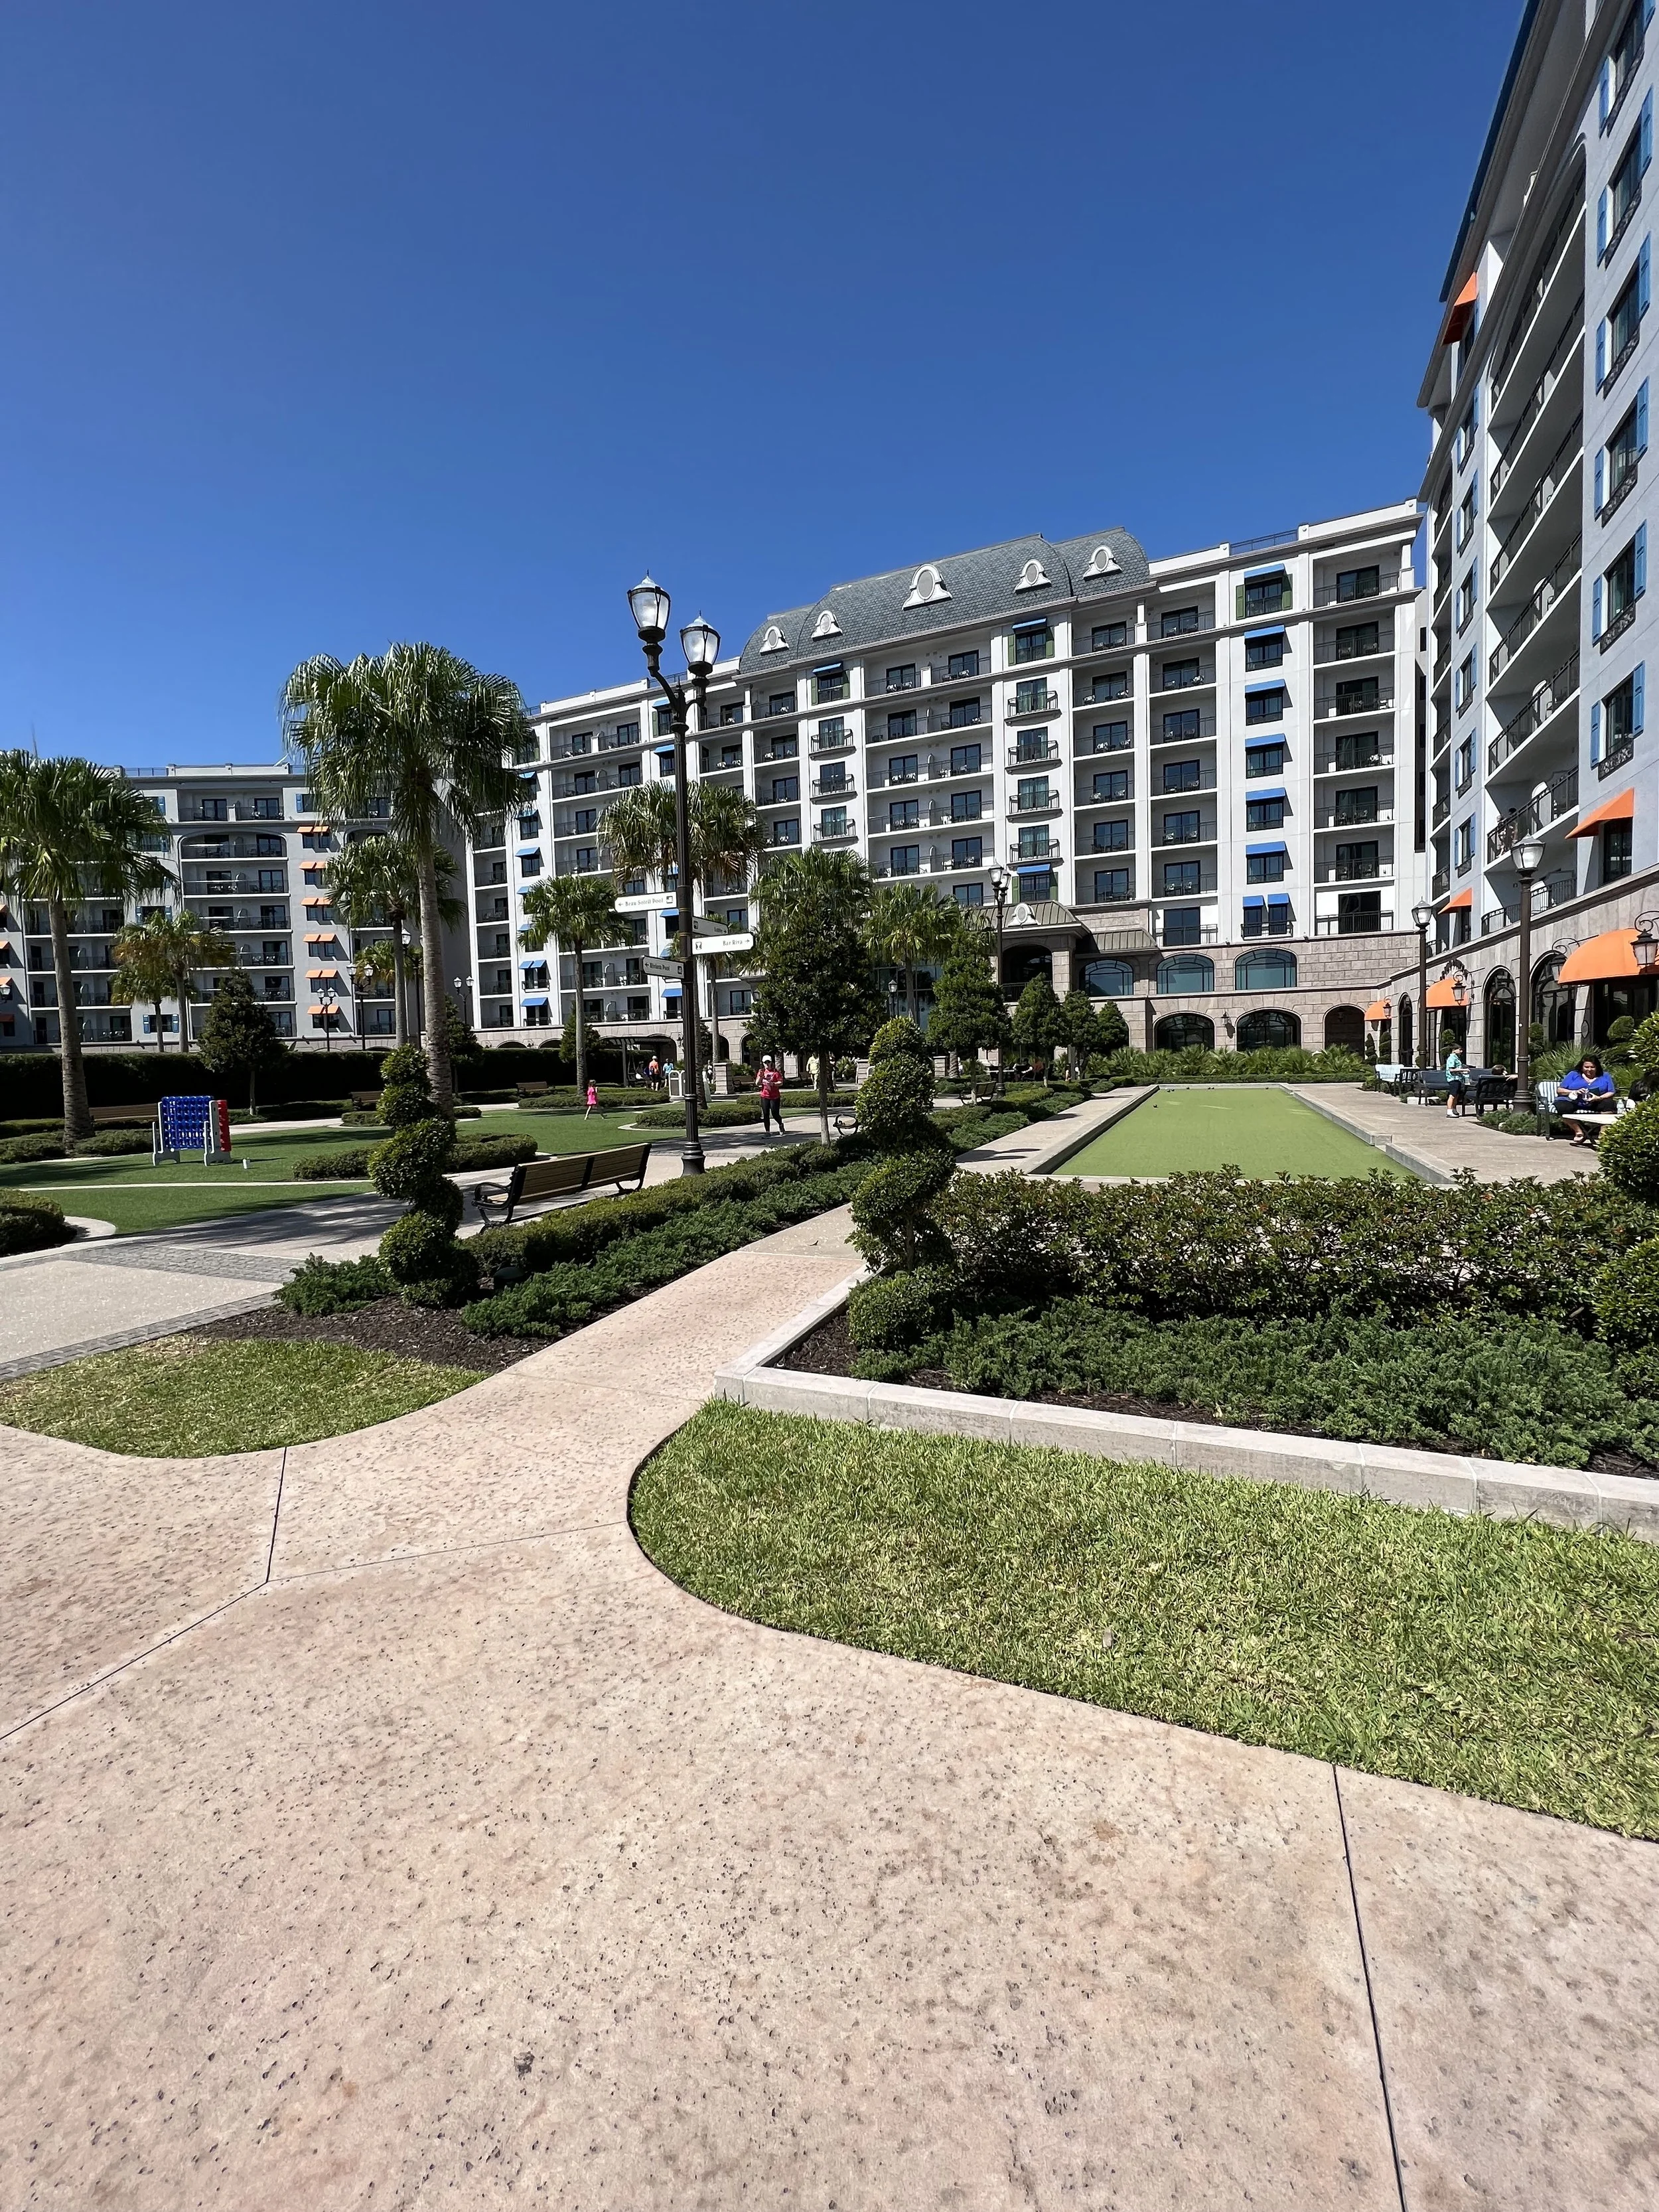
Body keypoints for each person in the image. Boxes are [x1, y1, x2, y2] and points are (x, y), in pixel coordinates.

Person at [1557, 1054, 1617, 1145]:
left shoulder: (1605, 1076)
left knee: (1609, 1104)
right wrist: (1574, 1091)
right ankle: (1578, 1131)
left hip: (1596, 1101)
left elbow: (1611, 1091)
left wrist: (1599, 1098)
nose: (1589, 1070)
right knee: (1562, 1106)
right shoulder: (1574, 1075)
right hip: (1575, 1101)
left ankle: (1603, 1134)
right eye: (1587, 1067)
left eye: (1592, 1067)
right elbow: (1560, 1090)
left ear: (1597, 1067)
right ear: (1582, 1067)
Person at [758, 1054, 784, 1136]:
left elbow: (781, 1082)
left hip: (775, 1096)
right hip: (764, 1095)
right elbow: (757, 1083)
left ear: (771, 1063)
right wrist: (761, 1077)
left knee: (775, 1113)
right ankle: (768, 1132)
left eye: (768, 1062)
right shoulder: (761, 1072)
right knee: (765, 1114)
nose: (767, 1064)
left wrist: (774, 1084)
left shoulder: (775, 1072)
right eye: (765, 1062)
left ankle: (780, 1124)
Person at [1443, 1040, 1467, 1118]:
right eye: (1459, 1049)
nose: (1461, 1051)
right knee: (1452, 1095)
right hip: (1453, 1079)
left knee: (1456, 1095)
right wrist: (1463, 1070)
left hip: (1458, 1079)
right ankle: (1449, 1111)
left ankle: (1454, 1109)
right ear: (1454, 1050)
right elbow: (1451, 1069)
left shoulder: (1457, 1058)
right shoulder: (1452, 1058)